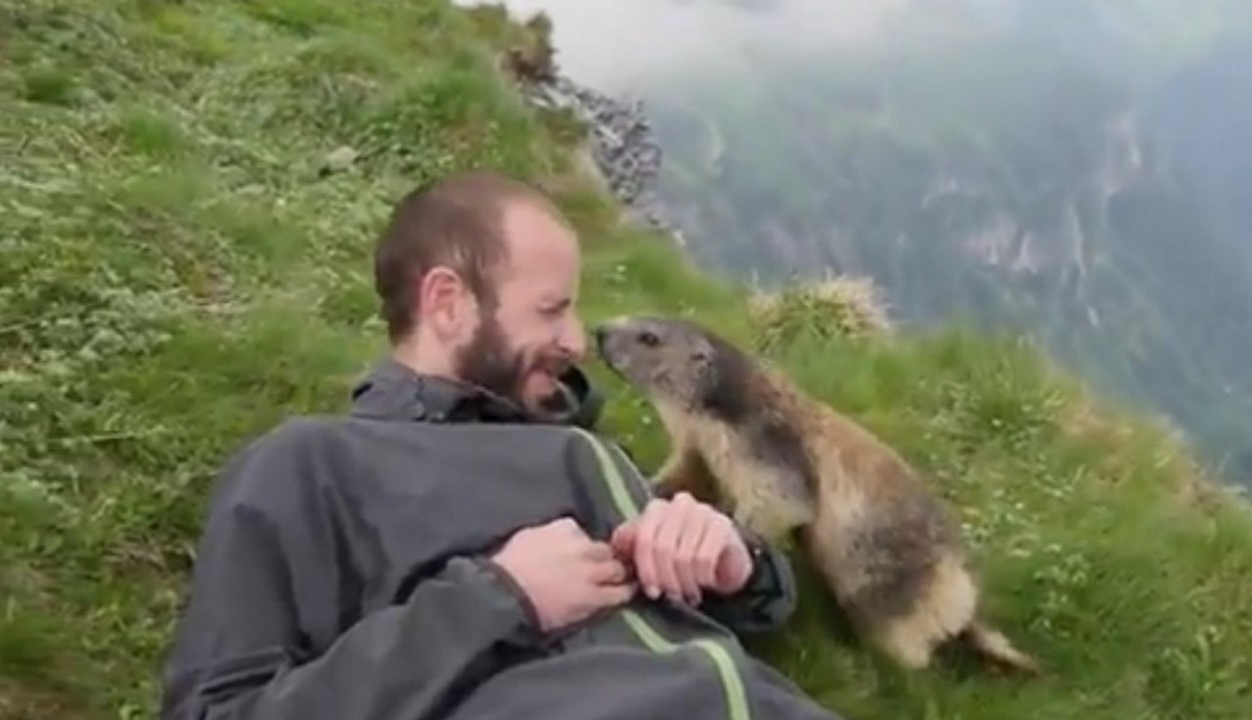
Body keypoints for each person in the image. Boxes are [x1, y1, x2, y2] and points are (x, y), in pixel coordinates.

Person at [157, 170, 844, 720]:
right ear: (448, 302)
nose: (578, 340)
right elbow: (218, 707)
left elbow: (745, 607)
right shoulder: (311, 465)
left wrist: (730, 560)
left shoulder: (581, 452)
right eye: (551, 309)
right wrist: (498, 598)